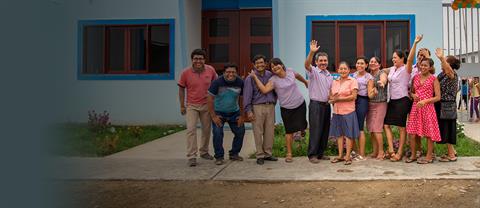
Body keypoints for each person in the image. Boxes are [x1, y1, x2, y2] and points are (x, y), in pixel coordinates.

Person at [250, 58, 308, 163]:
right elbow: (264, 90)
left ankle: (302, 128)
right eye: (272, 67)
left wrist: (305, 82)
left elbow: (298, 75)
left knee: (303, 124)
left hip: (300, 104)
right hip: (286, 108)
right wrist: (254, 77)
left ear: (281, 65)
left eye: (277, 65)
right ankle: (289, 154)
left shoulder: (290, 71)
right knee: (289, 131)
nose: (275, 67)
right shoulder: (273, 80)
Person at [178, 49, 217, 167]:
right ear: (192, 60)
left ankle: (204, 152)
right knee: (191, 130)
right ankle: (191, 156)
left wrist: (215, 102)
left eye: (200, 58)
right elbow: (181, 89)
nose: (198, 61)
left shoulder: (210, 70)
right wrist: (182, 105)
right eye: (195, 58)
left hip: (207, 105)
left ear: (204, 60)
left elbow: (216, 85)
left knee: (206, 130)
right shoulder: (185, 73)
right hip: (192, 105)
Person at [404, 38, 441, 164]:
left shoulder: (433, 79)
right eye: (422, 65)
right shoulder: (415, 77)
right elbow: (411, 92)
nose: (423, 67)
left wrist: (425, 101)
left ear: (430, 67)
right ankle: (414, 155)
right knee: (412, 133)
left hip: (428, 108)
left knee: (429, 134)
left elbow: (438, 97)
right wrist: (412, 95)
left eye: (426, 65)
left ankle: (429, 157)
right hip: (415, 107)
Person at [243, 55, 278, 165]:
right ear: (254, 65)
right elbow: (247, 95)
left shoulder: (270, 75)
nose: (260, 65)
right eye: (257, 63)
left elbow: (275, 89)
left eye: (262, 62)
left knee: (270, 131)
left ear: (265, 63)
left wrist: (274, 101)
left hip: (270, 106)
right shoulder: (250, 78)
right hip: (257, 107)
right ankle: (259, 155)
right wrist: (248, 110)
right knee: (258, 132)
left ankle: (268, 153)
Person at [207, 63, 245, 165]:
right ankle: (219, 156)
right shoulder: (217, 82)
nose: (231, 74)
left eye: (233, 72)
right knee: (218, 133)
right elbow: (209, 99)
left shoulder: (240, 82)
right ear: (223, 73)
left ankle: (234, 153)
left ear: (236, 73)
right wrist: (214, 116)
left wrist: (242, 115)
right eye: (228, 72)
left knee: (240, 132)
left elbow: (242, 99)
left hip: (234, 112)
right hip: (219, 112)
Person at [383, 43, 414, 162]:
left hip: (403, 100)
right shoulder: (392, 69)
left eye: (395, 57)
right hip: (392, 101)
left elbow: (410, 59)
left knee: (401, 127)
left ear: (402, 59)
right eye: (393, 57)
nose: (393, 59)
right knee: (386, 125)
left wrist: (415, 43)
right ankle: (391, 150)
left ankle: (400, 152)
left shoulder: (406, 69)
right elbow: (382, 71)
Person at [304, 40, 334, 164]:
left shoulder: (329, 75)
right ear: (316, 62)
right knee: (315, 130)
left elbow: (331, 91)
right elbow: (306, 65)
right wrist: (311, 52)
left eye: (325, 60)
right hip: (316, 105)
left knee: (324, 130)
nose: (323, 63)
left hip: (327, 106)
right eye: (320, 61)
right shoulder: (314, 72)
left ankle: (321, 153)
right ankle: (312, 155)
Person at [329, 61, 359, 165]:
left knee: (348, 134)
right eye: (341, 69)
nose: (343, 70)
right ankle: (340, 155)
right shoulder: (335, 81)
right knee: (339, 135)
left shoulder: (353, 81)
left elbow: (353, 96)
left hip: (348, 111)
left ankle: (347, 156)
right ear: (338, 70)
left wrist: (339, 99)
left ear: (349, 70)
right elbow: (332, 96)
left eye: (345, 69)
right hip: (337, 112)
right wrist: (332, 99)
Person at [434, 49, 461, 162]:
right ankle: (452, 151)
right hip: (442, 105)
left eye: (444, 61)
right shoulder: (443, 74)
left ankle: (451, 155)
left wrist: (441, 57)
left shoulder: (451, 74)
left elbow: (449, 70)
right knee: (446, 128)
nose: (441, 63)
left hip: (447, 105)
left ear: (449, 64)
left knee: (447, 129)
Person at [366, 56, 388, 160]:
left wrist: (382, 83)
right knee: (371, 128)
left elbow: (384, 80)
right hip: (370, 104)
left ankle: (381, 151)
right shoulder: (368, 75)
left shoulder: (381, 73)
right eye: (371, 61)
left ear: (379, 64)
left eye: (375, 62)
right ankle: (375, 151)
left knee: (377, 128)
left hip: (380, 104)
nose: (373, 63)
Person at [352, 56, 373, 160]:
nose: (359, 65)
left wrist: (374, 92)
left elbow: (369, 94)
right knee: (352, 127)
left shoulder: (368, 77)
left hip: (362, 101)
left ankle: (362, 154)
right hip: (353, 101)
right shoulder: (354, 75)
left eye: (362, 63)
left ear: (366, 65)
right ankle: (355, 152)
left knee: (360, 127)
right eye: (358, 63)